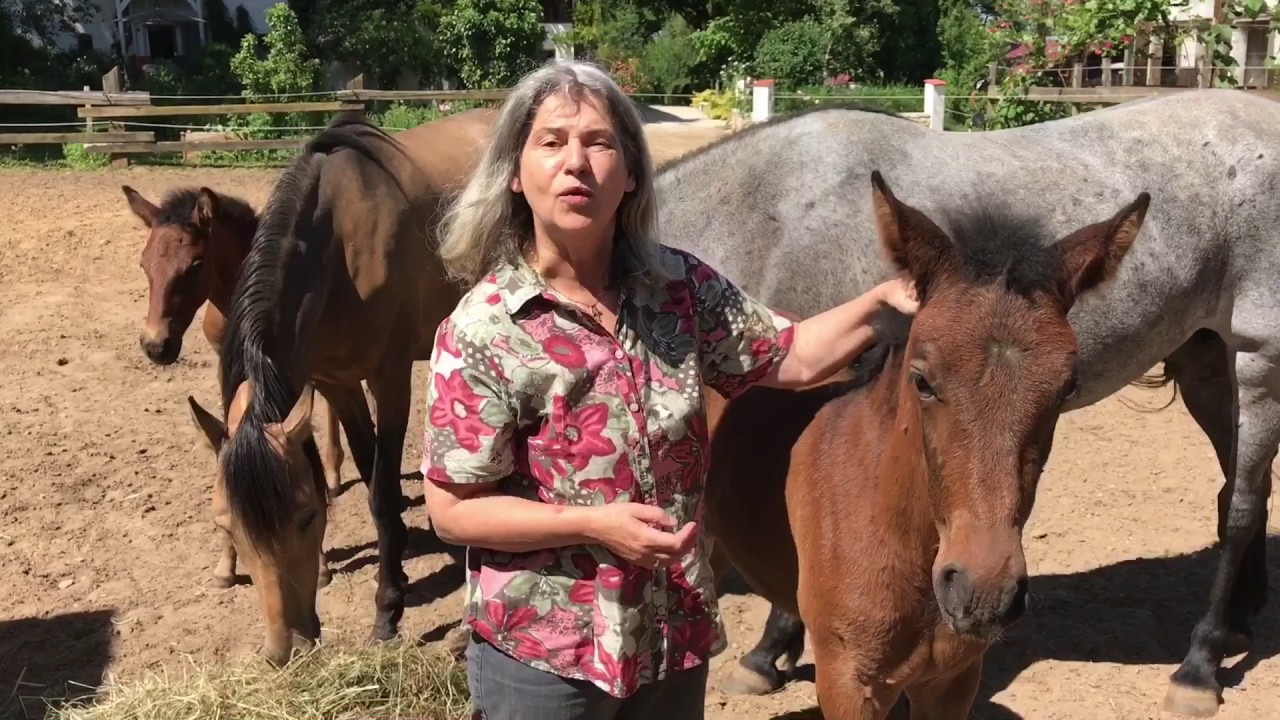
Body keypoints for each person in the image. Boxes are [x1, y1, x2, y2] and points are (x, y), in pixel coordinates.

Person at [420, 59, 919, 720]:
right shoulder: (482, 329)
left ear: (630, 176)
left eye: (600, 143)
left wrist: (881, 303)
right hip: (544, 652)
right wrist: (594, 525)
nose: (577, 162)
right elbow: (453, 509)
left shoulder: (677, 288)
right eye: (552, 142)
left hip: (668, 634)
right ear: (516, 173)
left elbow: (786, 355)